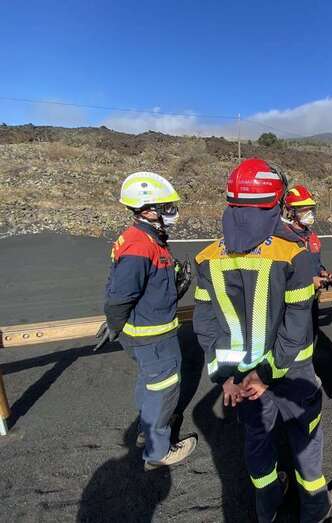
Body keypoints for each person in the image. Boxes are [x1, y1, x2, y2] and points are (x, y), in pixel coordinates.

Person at [192, 158, 332, 522]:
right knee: (306, 441)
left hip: (241, 381)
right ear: (276, 203)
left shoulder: (206, 257)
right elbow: (295, 326)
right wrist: (266, 373)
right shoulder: (293, 254)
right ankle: (314, 508)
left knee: (257, 445)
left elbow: (205, 325)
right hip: (291, 373)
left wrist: (227, 377)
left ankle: (268, 509)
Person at [99, 171, 196, 470]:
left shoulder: (148, 238)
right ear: (148, 209)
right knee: (162, 388)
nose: (173, 213)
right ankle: (157, 451)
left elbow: (145, 287)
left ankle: (150, 427)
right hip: (151, 337)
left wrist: (172, 286)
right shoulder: (140, 245)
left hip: (150, 332)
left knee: (150, 383)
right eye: (167, 207)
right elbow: (120, 295)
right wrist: (113, 325)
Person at [282, 184, 332, 337]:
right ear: (291, 212)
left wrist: (322, 272)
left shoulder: (311, 237)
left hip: (311, 300)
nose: (310, 213)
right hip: (291, 304)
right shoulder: (284, 239)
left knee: (312, 337)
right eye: (304, 209)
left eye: (311, 209)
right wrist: (309, 280)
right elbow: (281, 274)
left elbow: (315, 263)